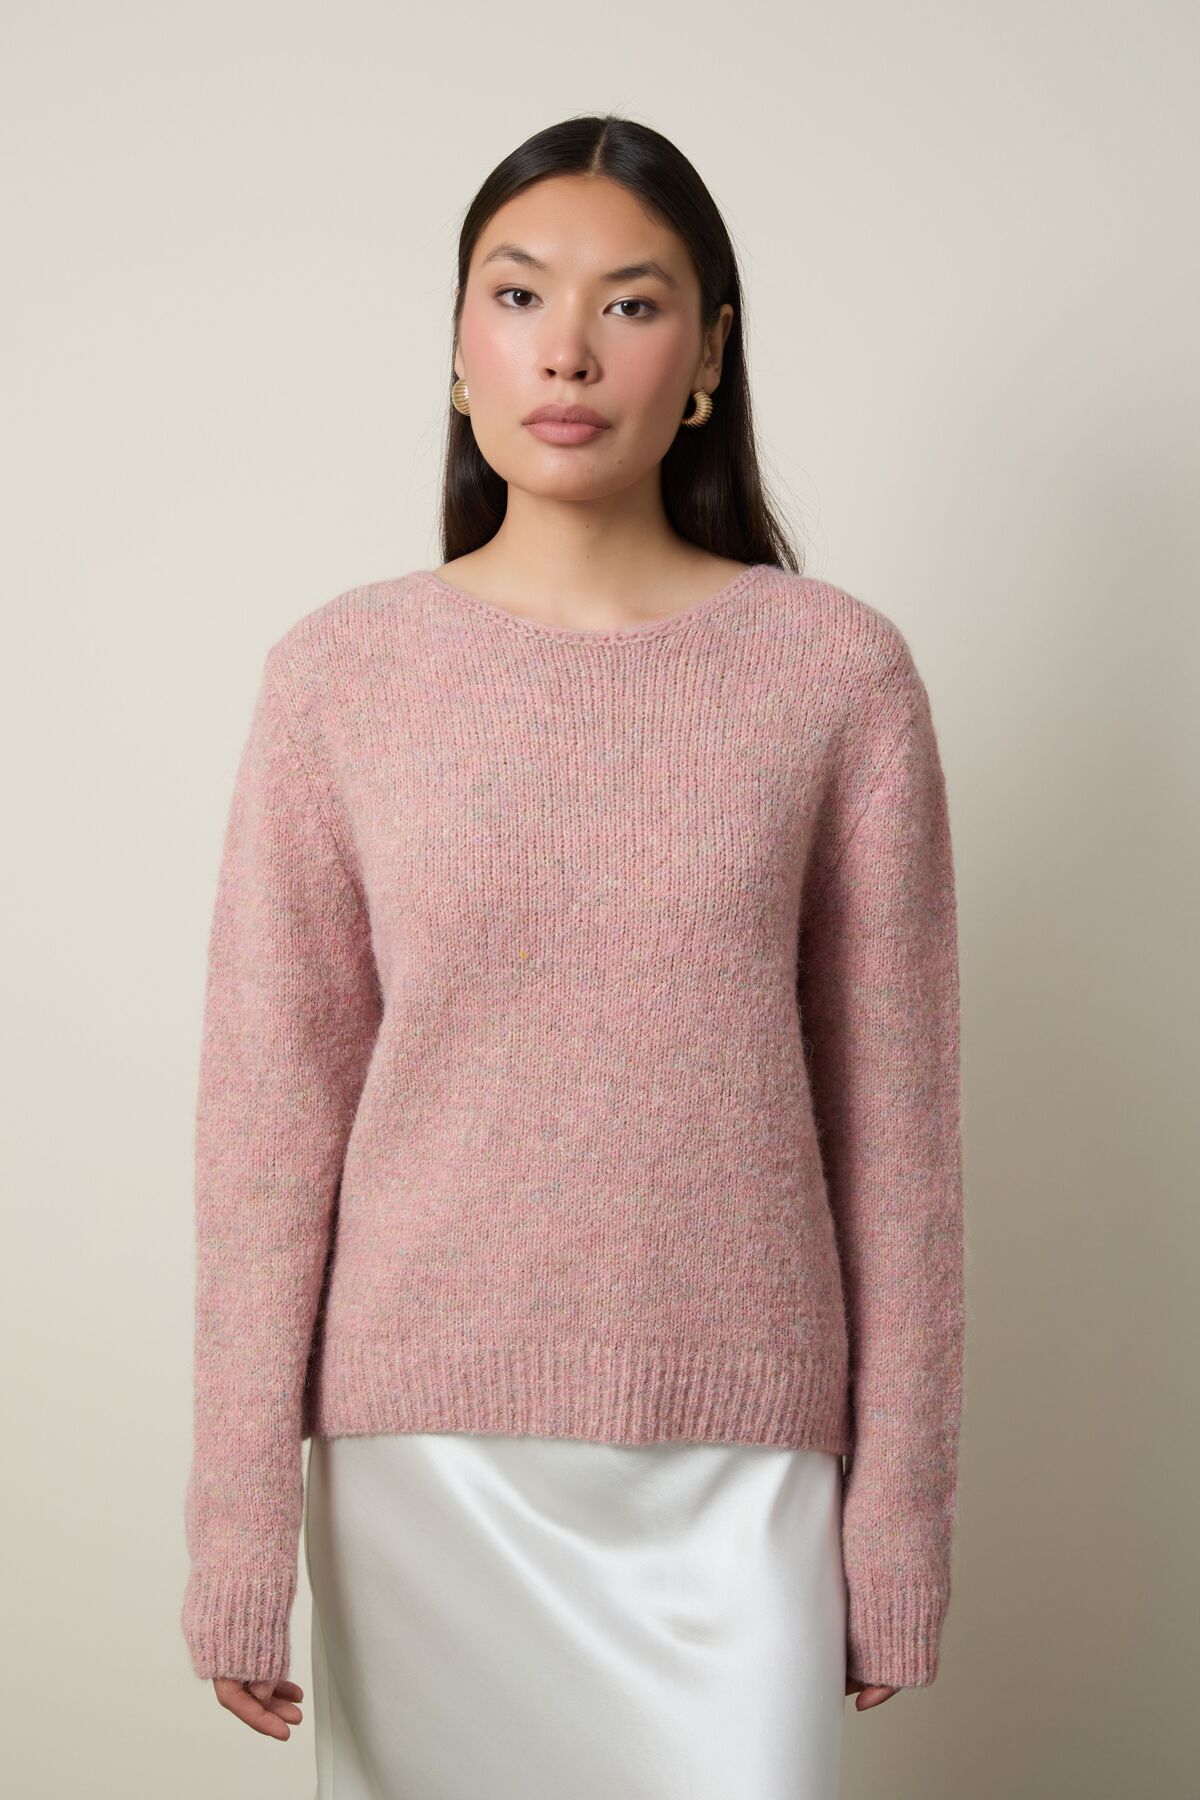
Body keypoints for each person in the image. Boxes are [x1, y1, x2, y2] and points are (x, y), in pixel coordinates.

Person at [180, 113, 965, 1800]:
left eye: (633, 303)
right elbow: (265, 1129)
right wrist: (239, 1523)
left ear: (710, 357)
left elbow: (898, 1145)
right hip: (424, 1466)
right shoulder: (340, 677)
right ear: (458, 345)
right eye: (521, 294)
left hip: (744, 1467)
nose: (568, 350)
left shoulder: (837, 679)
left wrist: (897, 1518)